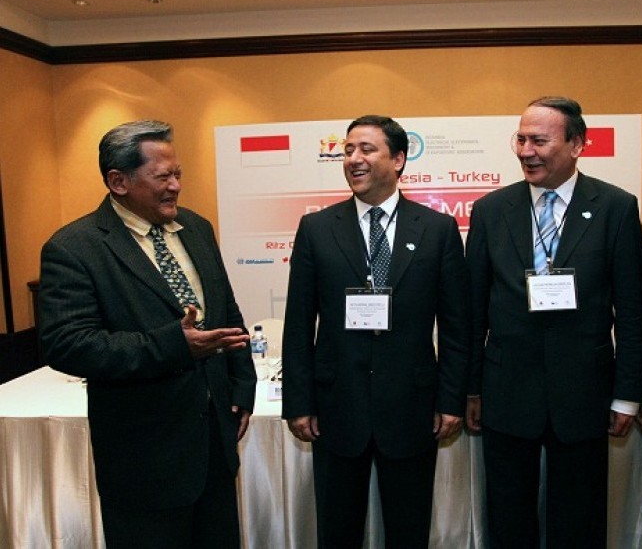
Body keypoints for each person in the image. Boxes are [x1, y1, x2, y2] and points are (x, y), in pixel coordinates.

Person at [38, 120, 256, 549]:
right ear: (118, 181)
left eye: (178, 174)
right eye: (163, 177)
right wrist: (174, 345)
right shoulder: (74, 247)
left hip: (214, 446)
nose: (176, 186)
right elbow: (67, 343)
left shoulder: (195, 228)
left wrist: (242, 388)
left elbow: (227, 310)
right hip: (143, 460)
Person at [465, 96, 642, 548]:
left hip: (584, 394)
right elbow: (471, 311)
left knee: (579, 523)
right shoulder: (491, 210)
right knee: (508, 521)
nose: (527, 150)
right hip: (506, 393)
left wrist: (627, 395)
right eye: (521, 139)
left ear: (577, 145)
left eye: (540, 141)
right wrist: (470, 388)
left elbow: (632, 310)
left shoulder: (615, 208)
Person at [282, 115, 470, 549]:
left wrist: (450, 399)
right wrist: (300, 401)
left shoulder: (437, 230)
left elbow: (457, 327)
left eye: (366, 149)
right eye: (348, 150)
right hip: (335, 408)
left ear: (399, 159)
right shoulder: (317, 228)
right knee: (337, 531)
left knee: (408, 531)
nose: (353, 159)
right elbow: (298, 325)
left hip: (413, 408)